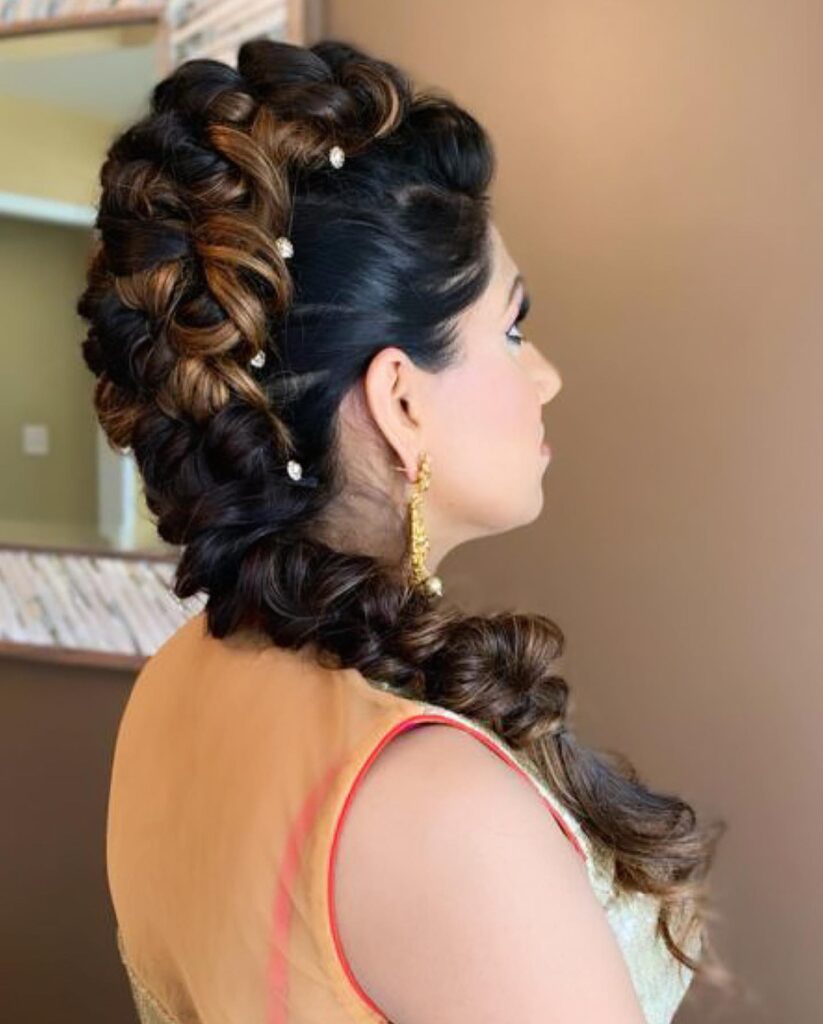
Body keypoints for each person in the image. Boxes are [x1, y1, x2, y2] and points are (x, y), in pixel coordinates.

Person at [77, 37, 730, 1024]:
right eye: (510, 329)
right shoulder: (435, 806)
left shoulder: (169, 688)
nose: (543, 374)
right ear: (400, 402)